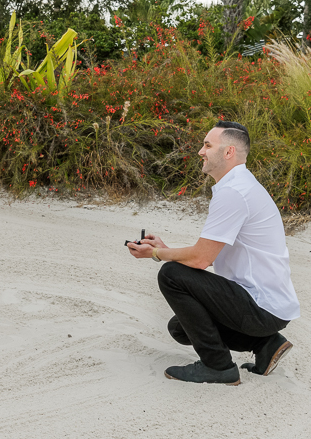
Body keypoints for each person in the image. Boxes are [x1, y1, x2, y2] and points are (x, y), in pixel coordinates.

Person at [126, 121, 300, 385]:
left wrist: (157, 254)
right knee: (180, 328)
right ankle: (266, 344)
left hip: (261, 306)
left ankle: (218, 367)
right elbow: (207, 254)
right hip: (269, 305)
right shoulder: (241, 184)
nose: (200, 151)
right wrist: (164, 249)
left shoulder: (234, 192)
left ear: (228, 152)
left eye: (208, 145)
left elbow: (200, 260)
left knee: (171, 274)